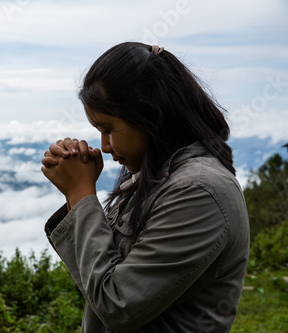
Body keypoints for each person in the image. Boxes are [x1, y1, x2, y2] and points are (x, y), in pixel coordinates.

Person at [41, 42, 249, 332]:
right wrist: (78, 195)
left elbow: (116, 304)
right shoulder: (152, 174)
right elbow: (102, 273)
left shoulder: (199, 191)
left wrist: (80, 192)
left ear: (149, 116)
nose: (103, 145)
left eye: (108, 129)